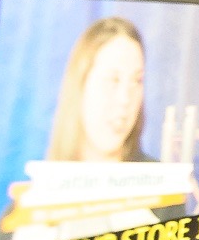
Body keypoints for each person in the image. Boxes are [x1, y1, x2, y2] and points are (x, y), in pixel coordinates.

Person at [48, 15, 150, 163]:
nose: (125, 99)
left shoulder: (166, 184)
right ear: (81, 85)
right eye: (113, 80)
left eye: (136, 81)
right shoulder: (45, 183)